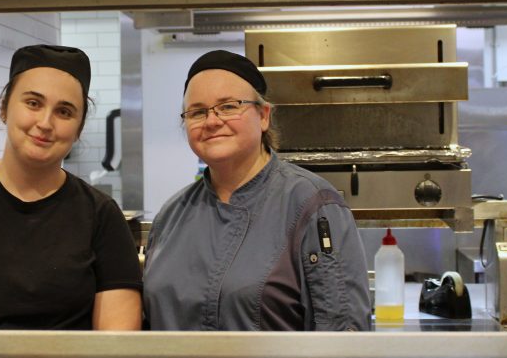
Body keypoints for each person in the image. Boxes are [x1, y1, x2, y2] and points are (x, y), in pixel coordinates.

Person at [143, 50, 371, 331]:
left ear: (263, 116)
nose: (212, 121)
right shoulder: (171, 215)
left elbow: (343, 335)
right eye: (198, 112)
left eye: (228, 106)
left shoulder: (313, 206)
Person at [0, 44, 143, 330]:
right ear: (4, 107)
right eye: (33, 103)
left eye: (64, 111)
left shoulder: (101, 215)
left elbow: (118, 342)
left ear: (78, 129)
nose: (45, 123)